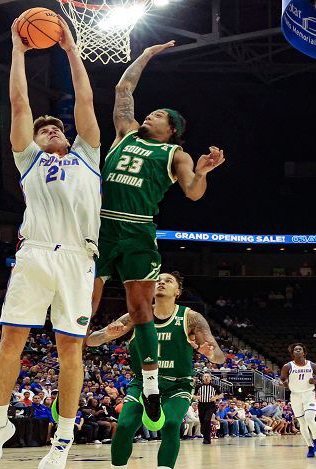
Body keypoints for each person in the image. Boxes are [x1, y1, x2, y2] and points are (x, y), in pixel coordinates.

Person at [0, 17, 101, 469]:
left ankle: (64, 436)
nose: (48, 130)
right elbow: (18, 103)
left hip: (75, 256)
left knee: (70, 350)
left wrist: (71, 50)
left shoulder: (87, 157)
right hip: (33, 254)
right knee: (12, 339)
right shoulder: (28, 161)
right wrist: (17, 50)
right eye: (42, 129)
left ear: (68, 136)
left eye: (54, 128)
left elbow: (86, 99)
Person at [90, 39, 226, 438]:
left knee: (138, 308)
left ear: (172, 130)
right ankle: (75, 351)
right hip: (101, 223)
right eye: (153, 111)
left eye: (161, 115)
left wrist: (203, 171)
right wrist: (146, 55)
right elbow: (123, 91)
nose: (151, 114)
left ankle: (149, 381)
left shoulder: (176, 154)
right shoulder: (126, 132)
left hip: (136, 228)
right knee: (86, 298)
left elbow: (194, 193)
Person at [87, 272, 225, 469]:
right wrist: (108, 333)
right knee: (125, 426)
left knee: (171, 424)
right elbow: (92, 341)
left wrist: (208, 352)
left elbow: (219, 356)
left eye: (168, 280)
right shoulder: (137, 315)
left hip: (176, 385)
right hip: (141, 384)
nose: (161, 282)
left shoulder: (191, 318)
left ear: (178, 292)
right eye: (158, 279)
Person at [280, 343, 316, 458]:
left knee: (309, 418)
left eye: (300, 349)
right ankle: (310, 447)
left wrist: (315, 381)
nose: (298, 351)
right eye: (295, 350)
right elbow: (282, 379)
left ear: (304, 352)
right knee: (302, 423)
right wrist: (284, 384)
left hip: (309, 394)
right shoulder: (287, 366)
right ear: (292, 353)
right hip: (295, 396)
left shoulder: (312, 365)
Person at [194, 373, 221, 444]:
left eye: (207, 376)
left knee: (207, 420)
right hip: (201, 405)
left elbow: (221, 395)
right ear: (202, 378)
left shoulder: (215, 386)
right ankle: (204, 433)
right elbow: (193, 395)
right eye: (205, 376)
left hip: (210, 405)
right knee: (202, 421)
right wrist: (196, 397)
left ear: (210, 378)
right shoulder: (198, 386)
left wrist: (215, 398)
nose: (206, 377)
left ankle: (207, 438)